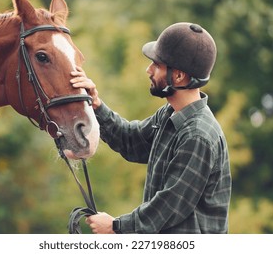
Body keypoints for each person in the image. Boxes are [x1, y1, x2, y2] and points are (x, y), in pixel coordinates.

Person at [70, 22, 232, 234]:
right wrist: (96, 104)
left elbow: (169, 206)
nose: (149, 69)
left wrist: (115, 227)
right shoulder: (170, 114)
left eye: (157, 64)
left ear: (179, 76)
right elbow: (130, 140)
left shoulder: (197, 135)